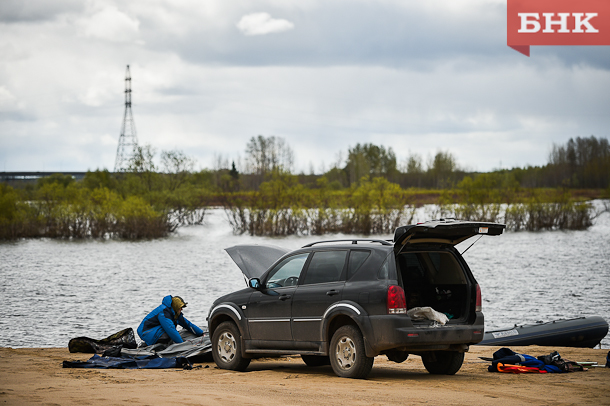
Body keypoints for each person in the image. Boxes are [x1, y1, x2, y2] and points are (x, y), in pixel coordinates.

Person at [137, 295, 204, 346]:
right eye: (180, 307)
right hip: (146, 332)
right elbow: (170, 329)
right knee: (168, 334)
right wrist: (182, 345)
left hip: (155, 330)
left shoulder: (175, 313)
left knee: (174, 333)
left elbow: (188, 324)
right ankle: (156, 344)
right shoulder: (163, 313)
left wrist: (201, 333)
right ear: (176, 306)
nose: (182, 309)